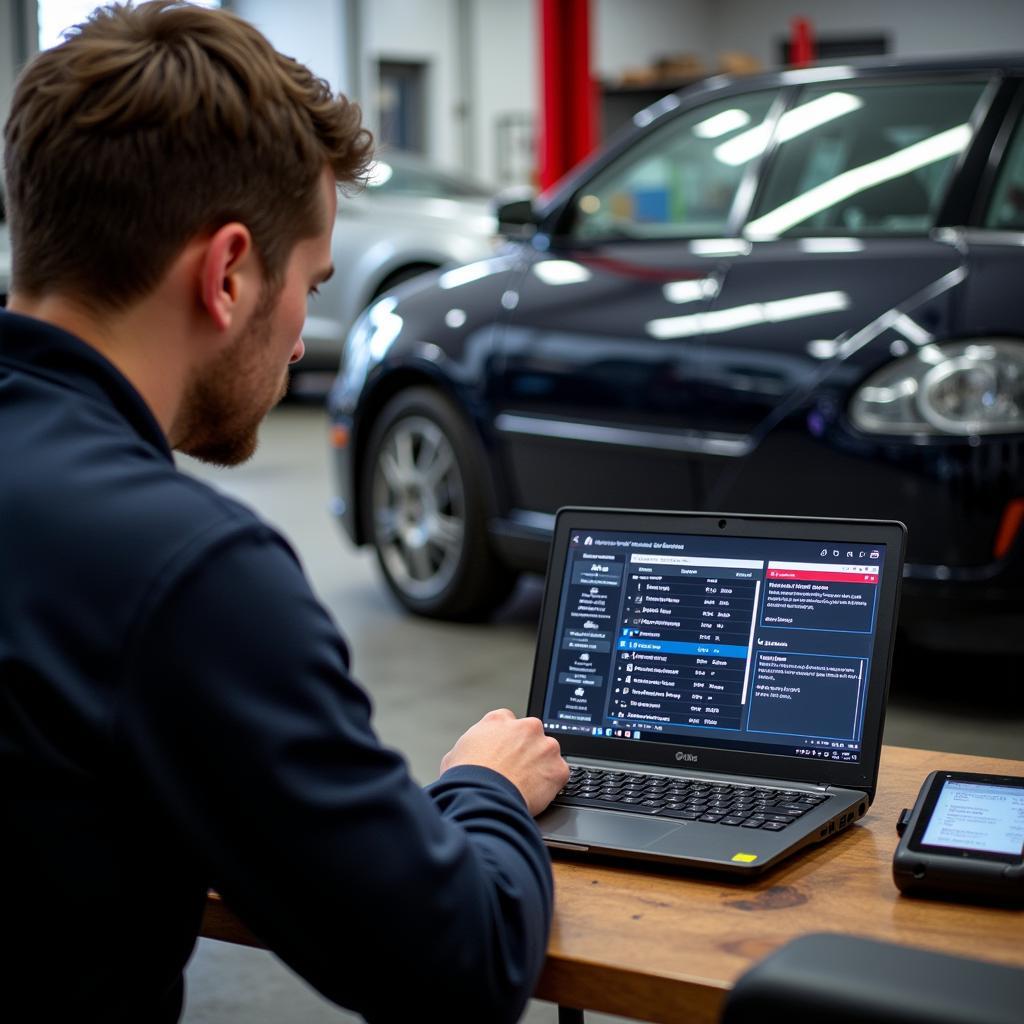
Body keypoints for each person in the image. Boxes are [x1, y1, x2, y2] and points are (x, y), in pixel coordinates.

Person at [0, 3, 568, 1021]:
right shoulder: (184, 573)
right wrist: (481, 784)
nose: (305, 337)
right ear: (226, 274)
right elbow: (460, 965)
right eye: (309, 281)